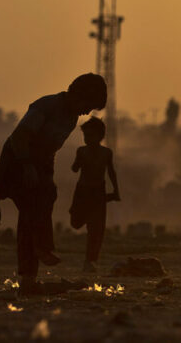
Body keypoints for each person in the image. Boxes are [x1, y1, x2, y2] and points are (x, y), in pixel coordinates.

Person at [0, 73, 107, 293]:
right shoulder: (46, 107)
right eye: (87, 105)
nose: (86, 112)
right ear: (77, 94)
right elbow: (20, 138)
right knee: (31, 210)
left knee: (43, 202)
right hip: (18, 161)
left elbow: (51, 149)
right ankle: (40, 252)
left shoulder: (71, 118)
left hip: (39, 165)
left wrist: (46, 174)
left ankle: (30, 274)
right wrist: (27, 166)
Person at [69, 117, 119, 273]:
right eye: (85, 136)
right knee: (76, 222)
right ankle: (85, 218)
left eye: (90, 136)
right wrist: (79, 162)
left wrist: (116, 190)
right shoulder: (81, 151)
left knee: (96, 230)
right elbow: (74, 168)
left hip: (98, 192)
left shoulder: (106, 153)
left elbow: (111, 172)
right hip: (82, 192)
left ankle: (90, 261)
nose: (87, 139)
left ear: (100, 136)